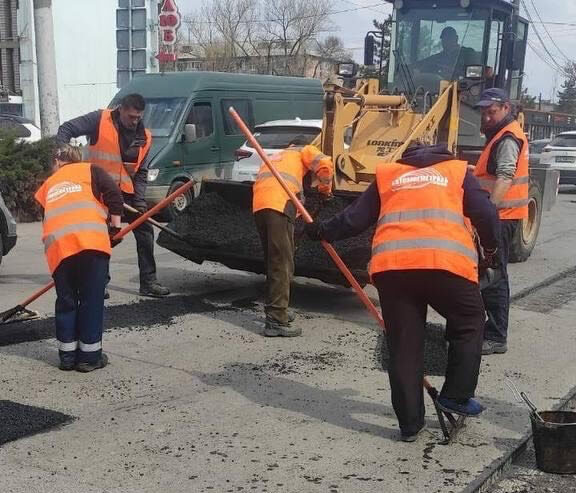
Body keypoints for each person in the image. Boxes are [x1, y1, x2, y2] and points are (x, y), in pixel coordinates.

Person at [305, 144, 500, 441]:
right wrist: (491, 249)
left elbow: (354, 219)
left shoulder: (389, 175)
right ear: (443, 155)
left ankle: (410, 425)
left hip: (394, 269)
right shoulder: (456, 171)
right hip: (444, 264)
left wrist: (323, 230)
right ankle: (456, 395)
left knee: (404, 345)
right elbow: (486, 213)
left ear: (406, 159)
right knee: (470, 321)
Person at [56, 93, 170, 298]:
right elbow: (66, 129)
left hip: (125, 194)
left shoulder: (144, 136)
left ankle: (149, 282)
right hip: (98, 194)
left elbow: (141, 172)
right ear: (121, 110)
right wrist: (66, 160)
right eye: (131, 117)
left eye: (138, 117)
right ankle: (100, 283)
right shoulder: (99, 119)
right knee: (101, 236)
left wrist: (139, 200)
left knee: (144, 229)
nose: (135, 121)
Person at [35, 145, 124, 372]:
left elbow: (51, 215)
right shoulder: (91, 170)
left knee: (66, 300)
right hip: (90, 244)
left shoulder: (48, 185)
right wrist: (115, 227)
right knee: (90, 300)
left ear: (57, 161)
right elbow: (114, 194)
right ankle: (89, 358)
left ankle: (67, 357)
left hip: (58, 250)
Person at [253, 136, 334, 337]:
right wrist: (325, 191)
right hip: (278, 206)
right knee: (282, 263)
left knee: (275, 261)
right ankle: (275, 320)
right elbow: (325, 164)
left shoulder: (276, 156)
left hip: (260, 207)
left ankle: (279, 309)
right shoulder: (305, 150)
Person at [473, 88, 529, 355]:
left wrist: (488, 212)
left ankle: (496, 336)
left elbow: (505, 176)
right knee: (490, 273)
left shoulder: (508, 138)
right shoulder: (500, 134)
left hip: (501, 216)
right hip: (501, 215)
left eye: (491, 112)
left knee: (494, 276)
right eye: (483, 112)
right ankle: (490, 329)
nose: (486, 117)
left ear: (506, 108)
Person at [414, 26, 481, 80]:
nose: (446, 41)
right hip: (435, 90)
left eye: (449, 38)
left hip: (461, 90)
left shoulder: (468, 54)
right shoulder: (437, 58)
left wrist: (454, 72)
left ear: (456, 38)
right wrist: (413, 68)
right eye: (444, 39)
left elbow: (475, 74)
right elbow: (422, 64)